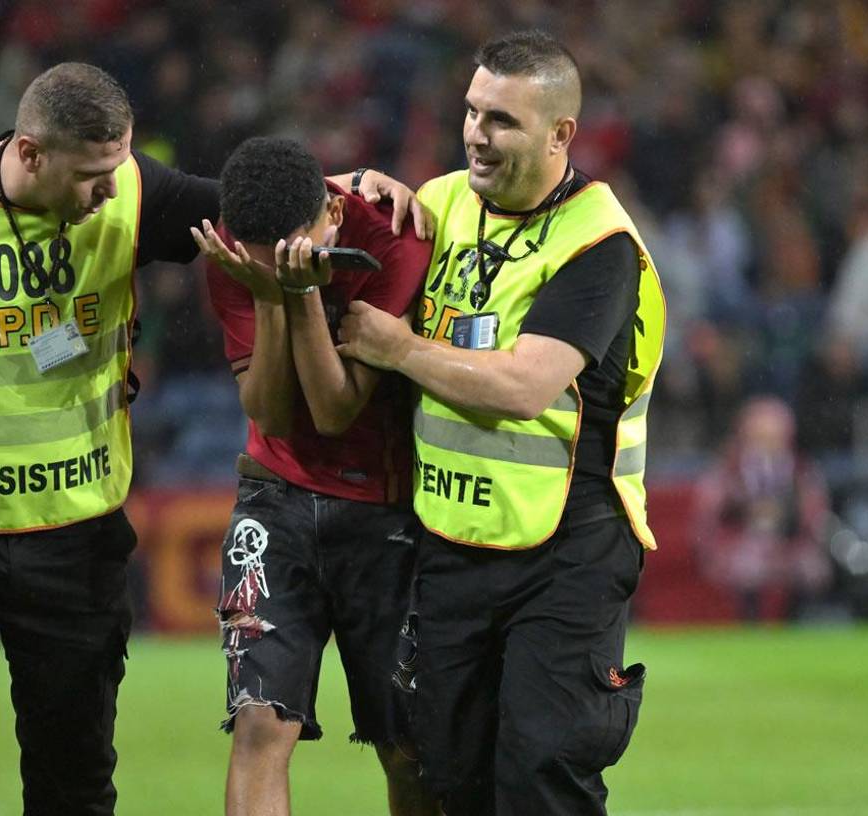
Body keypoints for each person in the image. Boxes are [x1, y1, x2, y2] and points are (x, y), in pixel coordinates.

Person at [0, 63, 426, 815]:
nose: (111, 191)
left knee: (73, 783)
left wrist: (352, 180)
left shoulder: (133, 190)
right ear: (33, 153)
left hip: (75, 538)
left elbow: (257, 203)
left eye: (119, 168)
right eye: (92, 177)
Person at [335, 31, 667, 815]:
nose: (478, 135)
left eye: (504, 121)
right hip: (452, 543)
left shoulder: (599, 243)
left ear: (561, 135)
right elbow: (303, 203)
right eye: (472, 112)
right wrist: (354, 183)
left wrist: (398, 347)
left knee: (543, 772)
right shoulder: (442, 203)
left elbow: (525, 387)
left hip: (569, 548)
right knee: (448, 776)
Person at [190, 137, 436, 816]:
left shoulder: (392, 241)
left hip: (384, 513)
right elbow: (269, 411)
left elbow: (333, 411)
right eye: (259, 258)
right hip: (274, 500)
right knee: (259, 722)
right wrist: (269, 297)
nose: (277, 265)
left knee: (406, 742)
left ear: (332, 208)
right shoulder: (236, 254)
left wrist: (295, 297)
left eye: (293, 249)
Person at [692, 396, 832, 621]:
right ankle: (749, 621)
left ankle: (794, 621)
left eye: (774, 437)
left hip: (789, 542)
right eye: (761, 437)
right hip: (740, 540)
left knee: (810, 567)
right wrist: (746, 510)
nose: (768, 444)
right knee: (748, 566)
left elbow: (815, 512)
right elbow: (709, 514)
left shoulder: (801, 471)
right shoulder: (728, 469)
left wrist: (787, 515)